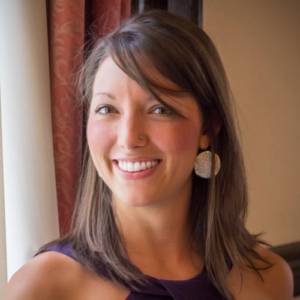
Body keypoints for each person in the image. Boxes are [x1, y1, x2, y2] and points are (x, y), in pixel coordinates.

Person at [4, 10, 293, 300]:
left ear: (208, 128)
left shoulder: (268, 278)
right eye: (107, 109)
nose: (129, 138)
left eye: (159, 109)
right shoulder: (43, 288)